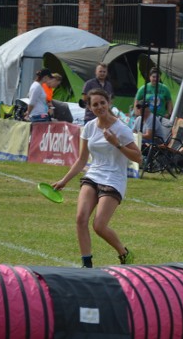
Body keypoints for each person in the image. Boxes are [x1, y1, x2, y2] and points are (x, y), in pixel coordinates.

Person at [51, 88, 141, 267]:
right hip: (93, 174)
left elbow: (138, 158)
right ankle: (87, 263)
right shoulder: (90, 127)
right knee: (80, 218)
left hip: (114, 178)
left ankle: (124, 253)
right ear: (90, 108)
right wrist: (64, 180)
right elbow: (82, 159)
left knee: (99, 225)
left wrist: (117, 144)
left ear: (109, 103)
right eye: (95, 104)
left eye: (102, 103)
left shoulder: (121, 129)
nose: (99, 107)